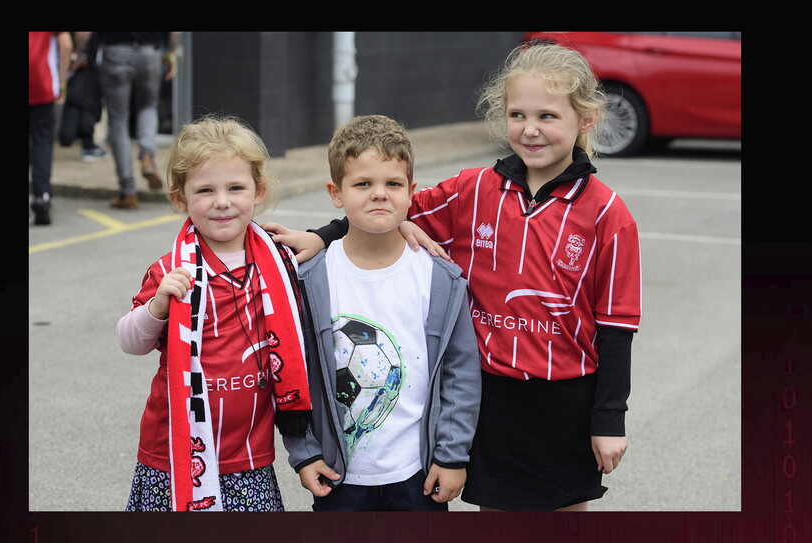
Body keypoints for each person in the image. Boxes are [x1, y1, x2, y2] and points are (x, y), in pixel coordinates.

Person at [265, 41, 641, 511]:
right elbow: (389, 208)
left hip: (564, 399)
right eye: (518, 115)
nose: (530, 130)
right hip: (493, 395)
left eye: (547, 116)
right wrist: (324, 236)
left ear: (585, 120)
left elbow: (617, 327)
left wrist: (609, 419)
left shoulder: (608, 213)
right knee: (499, 515)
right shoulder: (475, 189)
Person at [280, 114, 481, 512]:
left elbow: (462, 373)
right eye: (363, 184)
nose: (379, 194)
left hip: (417, 475)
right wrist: (303, 452)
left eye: (392, 184)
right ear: (335, 193)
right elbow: (290, 372)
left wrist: (452, 455)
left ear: (411, 192)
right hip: (337, 477)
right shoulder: (310, 279)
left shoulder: (438, 279)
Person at [116, 115, 312, 512]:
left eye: (235, 188)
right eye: (205, 190)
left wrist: (327, 237)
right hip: (172, 452)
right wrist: (158, 306)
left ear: (258, 192)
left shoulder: (282, 261)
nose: (222, 202)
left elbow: (361, 240)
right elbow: (130, 342)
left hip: (249, 453)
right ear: (180, 198)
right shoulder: (172, 269)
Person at [95, 32, 180, 210]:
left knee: (118, 119)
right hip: (150, 52)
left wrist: (80, 53)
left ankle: (128, 192)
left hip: (115, 51)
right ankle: (147, 157)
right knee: (148, 107)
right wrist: (171, 51)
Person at [28, 31, 72, 226]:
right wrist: (62, 83)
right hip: (40, 82)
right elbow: (66, 46)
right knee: (42, 142)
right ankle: (42, 196)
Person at [58, 32, 108, 162]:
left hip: (78, 71)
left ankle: (87, 144)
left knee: (83, 104)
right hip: (85, 71)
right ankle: (88, 145)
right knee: (88, 106)